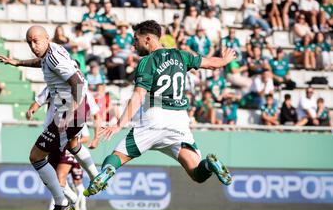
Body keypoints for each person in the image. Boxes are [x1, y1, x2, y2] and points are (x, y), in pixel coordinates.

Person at [83, 20, 236, 198]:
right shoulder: (181, 55)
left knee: (117, 157)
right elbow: (211, 64)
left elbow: (139, 96)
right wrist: (225, 60)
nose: (133, 43)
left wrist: (118, 125)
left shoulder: (147, 61)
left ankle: (106, 172)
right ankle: (209, 165)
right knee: (197, 172)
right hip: (179, 122)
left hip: (153, 119)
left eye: (136, 39)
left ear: (147, 39)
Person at [0, 25, 100, 210]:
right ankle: (95, 176)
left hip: (69, 113)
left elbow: (77, 83)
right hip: (75, 111)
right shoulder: (54, 50)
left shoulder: (54, 57)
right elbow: (42, 61)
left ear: (47, 37)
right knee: (72, 145)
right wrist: (18, 63)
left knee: (35, 156)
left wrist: (71, 112)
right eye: (29, 42)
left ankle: (61, 203)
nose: (33, 45)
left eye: (36, 40)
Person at [25, 85, 100, 210]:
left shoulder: (81, 90)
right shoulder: (53, 86)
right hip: (51, 136)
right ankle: (72, 198)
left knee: (60, 176)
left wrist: (96, 137)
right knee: (50, 177)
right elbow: (38, 101)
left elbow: (96, 114)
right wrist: (32, 110)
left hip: (67, 139)